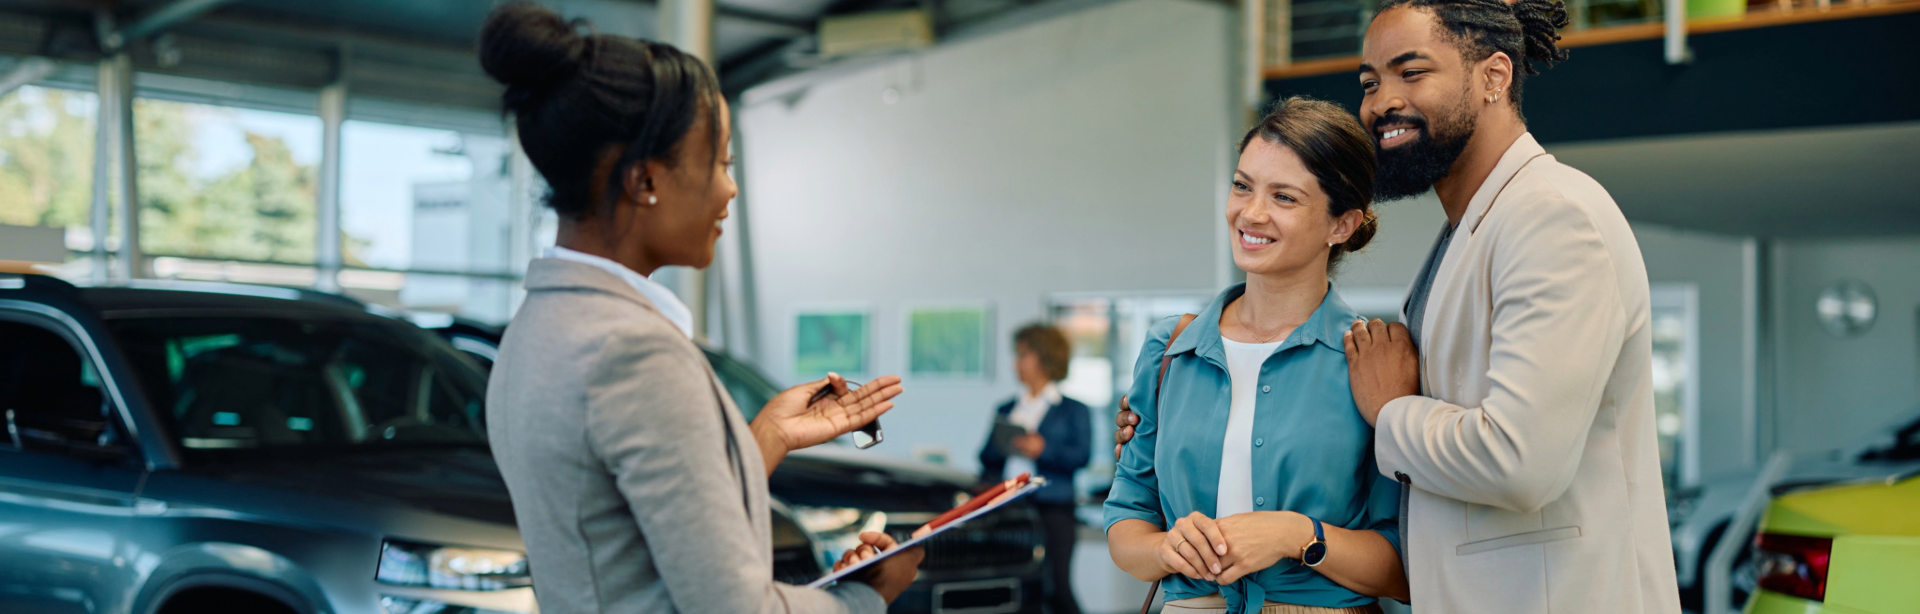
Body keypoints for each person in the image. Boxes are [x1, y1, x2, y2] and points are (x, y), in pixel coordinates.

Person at [477, 4, 923, 613]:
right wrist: (865, 597)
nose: (730, 189)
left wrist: (767, 436)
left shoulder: (540, 327)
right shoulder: (633, 352)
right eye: (720, 164)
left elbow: (631, 540)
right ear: (644, 180)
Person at [1341, 0, 1679, 611]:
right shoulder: (1475, 225)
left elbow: (1520, 461)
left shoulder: (1551, 216)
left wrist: (1392, 411)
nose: (1381, 102)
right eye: (1369, 82)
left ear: (1494, 76)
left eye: (1411, 72)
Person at [1104, 97, 1408, 614]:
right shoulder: (1169, 348)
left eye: (1284, 197)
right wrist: (1165, 549)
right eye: (1243, 186)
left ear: (1341, 225)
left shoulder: (1372, 360)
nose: (1251, 213)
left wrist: (1296, 534)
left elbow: (1404, 565)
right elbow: (1127, 516)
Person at [977, 323, 1092, 614]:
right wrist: (1007, 444)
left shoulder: (1073, 410)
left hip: (1054, 509)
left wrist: (1043, 450)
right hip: (1009, 508)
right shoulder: (1006, 408)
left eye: (1022, 355)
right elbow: (986, 457)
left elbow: (1081, 457)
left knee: (1057, 588)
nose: (1016, 363)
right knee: (1015, 588)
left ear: (1044, 357)